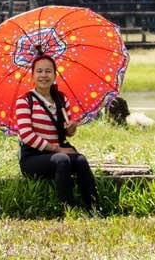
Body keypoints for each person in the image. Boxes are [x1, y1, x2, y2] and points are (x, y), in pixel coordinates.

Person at [15, 55, 98, 214]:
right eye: (39, 71)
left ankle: (94, 208)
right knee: (63, 159)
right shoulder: (25, 101)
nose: (44, 75)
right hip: (33, 157)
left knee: (80, 160)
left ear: (55, 75)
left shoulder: (61, 99)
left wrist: (71, 128)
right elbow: (26, 135)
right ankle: (69, 210)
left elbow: (68, 133)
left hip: (58, 151)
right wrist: (57, 149)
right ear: (32, 75)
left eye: (48, 71)